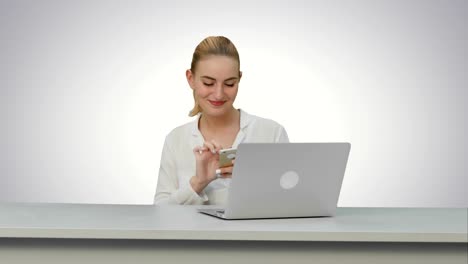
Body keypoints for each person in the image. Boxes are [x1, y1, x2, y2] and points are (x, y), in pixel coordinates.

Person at [154, 36, 289, 205]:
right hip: (194, 233)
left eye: (229, 84)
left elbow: (288, 204)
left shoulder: (271, 133)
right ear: (191, 79)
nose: (218, 94)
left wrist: (251, 179)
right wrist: (198, 183)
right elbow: (159, 214)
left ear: (239, 79)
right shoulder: (176, 139)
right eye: (208, 83)